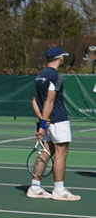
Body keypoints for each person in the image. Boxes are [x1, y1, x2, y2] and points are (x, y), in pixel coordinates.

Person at [28, 46, 80, 201]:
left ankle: (35, 187)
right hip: (58, 119)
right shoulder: (57, 76)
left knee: (46, 151)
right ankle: (59, 190)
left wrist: (42, 120)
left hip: (48, 119)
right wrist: (44, 125)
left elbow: (34, 101)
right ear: (61, 58)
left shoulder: (40, 75)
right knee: (61, 153)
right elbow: (49, 101)